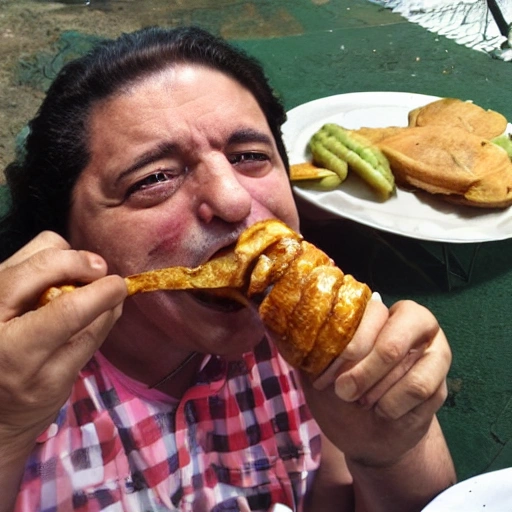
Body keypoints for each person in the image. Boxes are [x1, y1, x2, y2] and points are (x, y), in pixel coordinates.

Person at [0, 26, 455, 512]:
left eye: (250, 157)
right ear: (63, 235)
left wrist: (387, 454)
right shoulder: (19, 388)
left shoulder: (317, 339)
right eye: (154, 178)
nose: (234, 200)